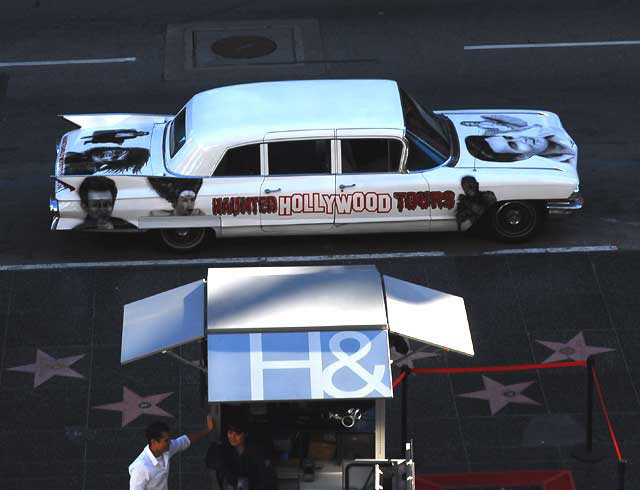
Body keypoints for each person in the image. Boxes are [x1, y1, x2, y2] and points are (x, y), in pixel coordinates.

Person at [129, 415, 215, 490]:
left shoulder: (166, 448)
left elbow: (185, 441)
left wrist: (207, 430)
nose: (170, 442)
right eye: (166, 440)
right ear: (154, 442)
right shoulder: (140, 468)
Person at [206, 418, 276, 490]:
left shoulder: (255, 450)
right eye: (230, 432)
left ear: (245, 434)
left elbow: (265, 477)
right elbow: (211, 461)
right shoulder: (224, 448)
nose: (233, 437)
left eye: (237, 434)